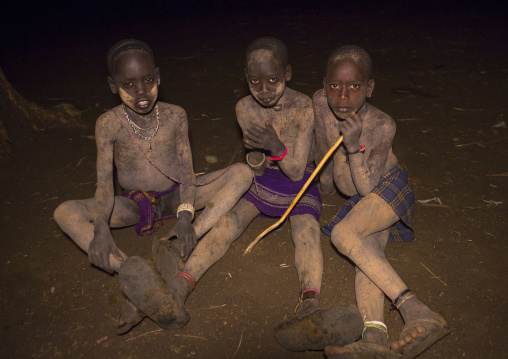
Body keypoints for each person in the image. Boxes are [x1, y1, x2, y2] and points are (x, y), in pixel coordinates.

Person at [135, 36, 362, 350]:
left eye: (272, 80)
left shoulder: (303, 108)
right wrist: (259, 154)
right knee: (228, 225)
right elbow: (255, 165)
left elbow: (296, 170)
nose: (264, 90)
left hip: (299, 180)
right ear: (246, 79)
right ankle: (179, 289)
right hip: (265, 178)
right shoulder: (244, 108)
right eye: (255, 82)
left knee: (307, 231)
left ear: (288, 74)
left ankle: (310, 305)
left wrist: (275, 146)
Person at [53, 39, 253, 334]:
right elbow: (104, 183)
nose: (141, 91)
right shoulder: (108, 124)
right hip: (134, 204)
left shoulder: (175, 115)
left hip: (179, 196)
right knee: (64, 212)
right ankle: (132, 272)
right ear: (112, 84)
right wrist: (100, 228)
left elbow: (186, 171)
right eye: (128, 84)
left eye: (147, 80)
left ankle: (180, 241)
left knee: (243, 173)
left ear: (158, 77)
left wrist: (186, 218)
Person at [312, 45, 451, 358]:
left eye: (354, 87)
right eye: (335, 86)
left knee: (343, 234)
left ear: (369, 88)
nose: (342, 97)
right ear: (324, 85)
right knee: (367, 253)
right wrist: (325, 183)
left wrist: (352, 147)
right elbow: (322, 144)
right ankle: (374, 336)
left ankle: (415, 308)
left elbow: (365, 187)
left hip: (385, 186)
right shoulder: (321, 103)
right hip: (362, 194)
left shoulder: (381, 124)